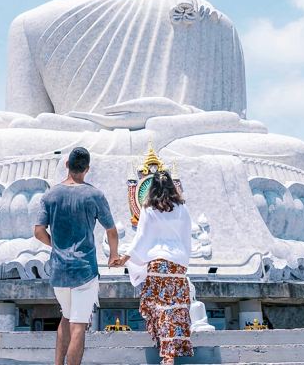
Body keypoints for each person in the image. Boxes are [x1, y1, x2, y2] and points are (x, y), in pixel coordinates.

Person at [34, 147, 119, 365]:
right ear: (87, 169)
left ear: (66, 165)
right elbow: (111, 231)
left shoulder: (50, 195)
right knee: (79, 324)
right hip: (84, 270)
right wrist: (113, 256)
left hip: (59, 270)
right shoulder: (94, 195)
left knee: (66, 316)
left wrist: (55, 246)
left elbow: (38, 231)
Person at [113, 170, 193, 365]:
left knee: (159, 308)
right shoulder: (182, 209)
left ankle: (166, 353)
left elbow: (141, 238)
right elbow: (186, 239)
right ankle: (170, 352)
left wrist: (125, 257)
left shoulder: (149, 209)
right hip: (177, 265)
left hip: (157, 264)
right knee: (173, 309)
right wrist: (183, 262)